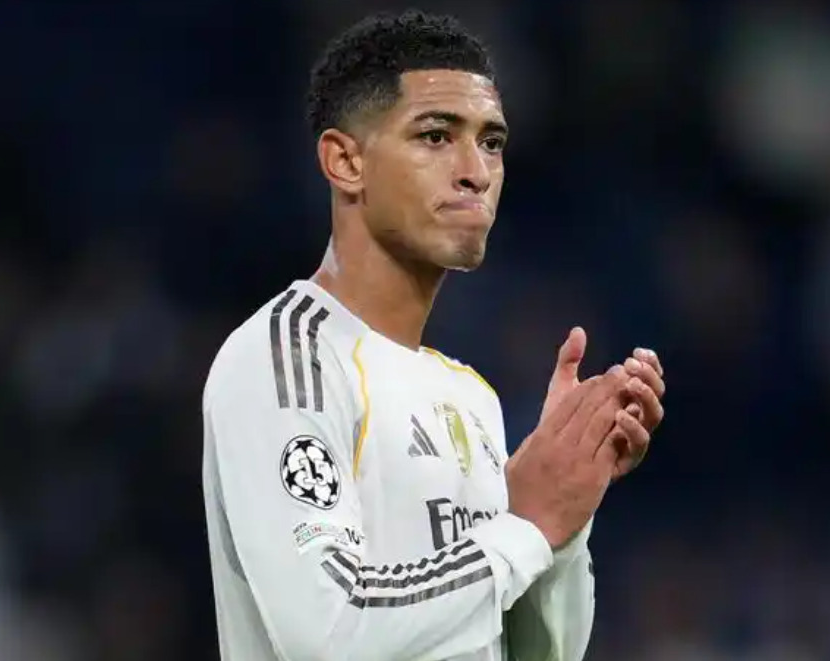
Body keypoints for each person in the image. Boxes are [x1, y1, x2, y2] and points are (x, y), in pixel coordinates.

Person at [201, 9, 665, 661]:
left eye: (492, 142)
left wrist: (564, 511)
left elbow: (538, 653)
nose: (476, 170)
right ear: (345, 161)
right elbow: (327, 634)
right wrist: (526, 525)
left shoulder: (468, 397)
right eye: (436, 136)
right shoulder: (286, 359)